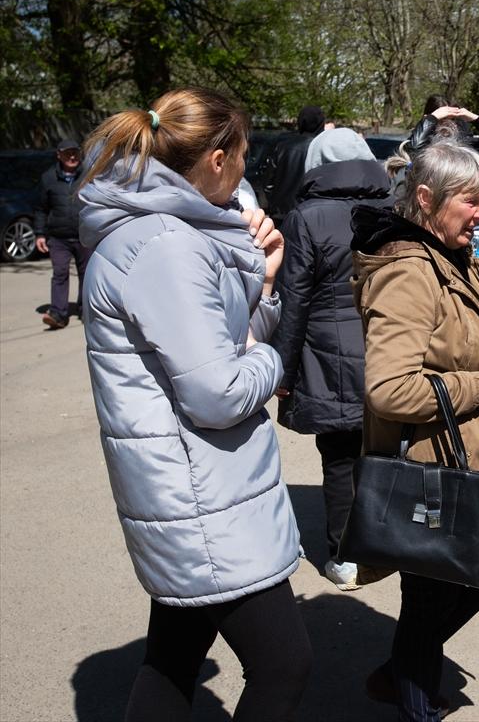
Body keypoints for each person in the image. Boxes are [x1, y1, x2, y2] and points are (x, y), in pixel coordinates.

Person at [76, 87, 311, 720]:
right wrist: (275, 364)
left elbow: (220, 341)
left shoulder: (165, 234)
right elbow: (218, 390)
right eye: (242, 152)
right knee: (283, 664)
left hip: (196, 490)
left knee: (174, 657)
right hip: (202, 496)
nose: (245, 166)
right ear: (215, 158)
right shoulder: (164, 245)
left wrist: (261, 278)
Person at [350, 139, 479, 720]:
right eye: (473, 200)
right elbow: (388, 389)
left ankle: (397, 676)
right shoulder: (409, 270)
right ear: (427, 199)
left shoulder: (450, 254)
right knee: (436, 590)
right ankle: (412, 699)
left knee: (478, 572)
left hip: (469, 450)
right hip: (433, 463)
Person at [271, 128, 392, 591]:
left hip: (328, 356)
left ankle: (344, 558)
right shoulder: (392, 208)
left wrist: (282, 369)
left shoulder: (306, 218)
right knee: (382, 450)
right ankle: (386, 542)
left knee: (340, 457)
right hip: (388, 346)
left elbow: (293, 298)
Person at [34, 138, 92, 329]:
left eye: (75, 152)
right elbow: (41, 209)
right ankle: (58, 314)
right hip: (58, 237)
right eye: (67, 153)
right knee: (59, 273)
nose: (72, 156)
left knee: (87, 274)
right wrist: (40, 234)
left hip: (84, 235)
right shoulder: (48, 178)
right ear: (59, 155)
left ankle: (86, 310)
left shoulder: (89, 175)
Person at [265, 104, 325, 218]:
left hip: (280, 214)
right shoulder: (322, 149)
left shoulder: (282, 146)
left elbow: (268, 182)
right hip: (307, 216)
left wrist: (274, 205)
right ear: (321, 124)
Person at [407, 94, 479, 159]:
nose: (448, 124)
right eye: (442, 119)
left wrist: (476, 119)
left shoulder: (464, 146)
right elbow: (413, 150)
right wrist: (431, 119)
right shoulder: (424, 144)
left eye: (452, 119)